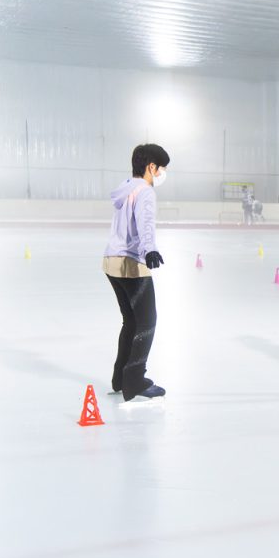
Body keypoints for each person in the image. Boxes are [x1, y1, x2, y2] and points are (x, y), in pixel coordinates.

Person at [102, 143, 169, 401]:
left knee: (131, 322)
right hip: (131, 263)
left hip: (111, 261)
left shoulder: (126, 187)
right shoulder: (145, 192)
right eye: (161, 168)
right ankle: (135, 380)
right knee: (147, 321)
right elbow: (145, 223)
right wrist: (150, 249)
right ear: (151, 167)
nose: (162, 173)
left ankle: (120, 378)